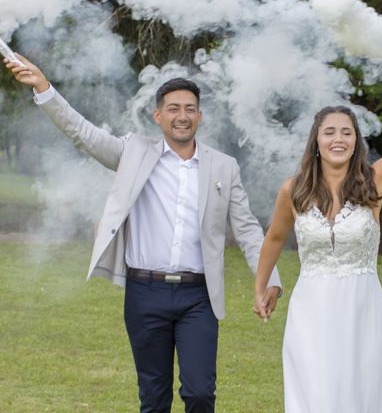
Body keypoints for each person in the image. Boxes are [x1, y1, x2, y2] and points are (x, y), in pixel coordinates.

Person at [4, 54, 282, 413]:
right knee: (153, 397)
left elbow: (248, 231)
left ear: (199, 116)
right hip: (144, 292)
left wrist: (270, 278)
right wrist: (44, 87)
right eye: (173, 109)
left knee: (200, 394)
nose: (182, 116)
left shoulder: (223, 167)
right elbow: (82, 132)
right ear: (158, 115)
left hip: (199, 296)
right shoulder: (132, 151)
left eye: (190, 109)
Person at [253, 60, 382, 412]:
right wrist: (260, 287)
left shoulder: (376, 181)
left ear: (356, 141)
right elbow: (274, 239)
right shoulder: (293, 191)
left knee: (357, 393)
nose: (338, 139)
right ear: (316, 141)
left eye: (346, 132)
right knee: (313, 392)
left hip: (361, 307)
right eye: (329, 132)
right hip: (310, 308)